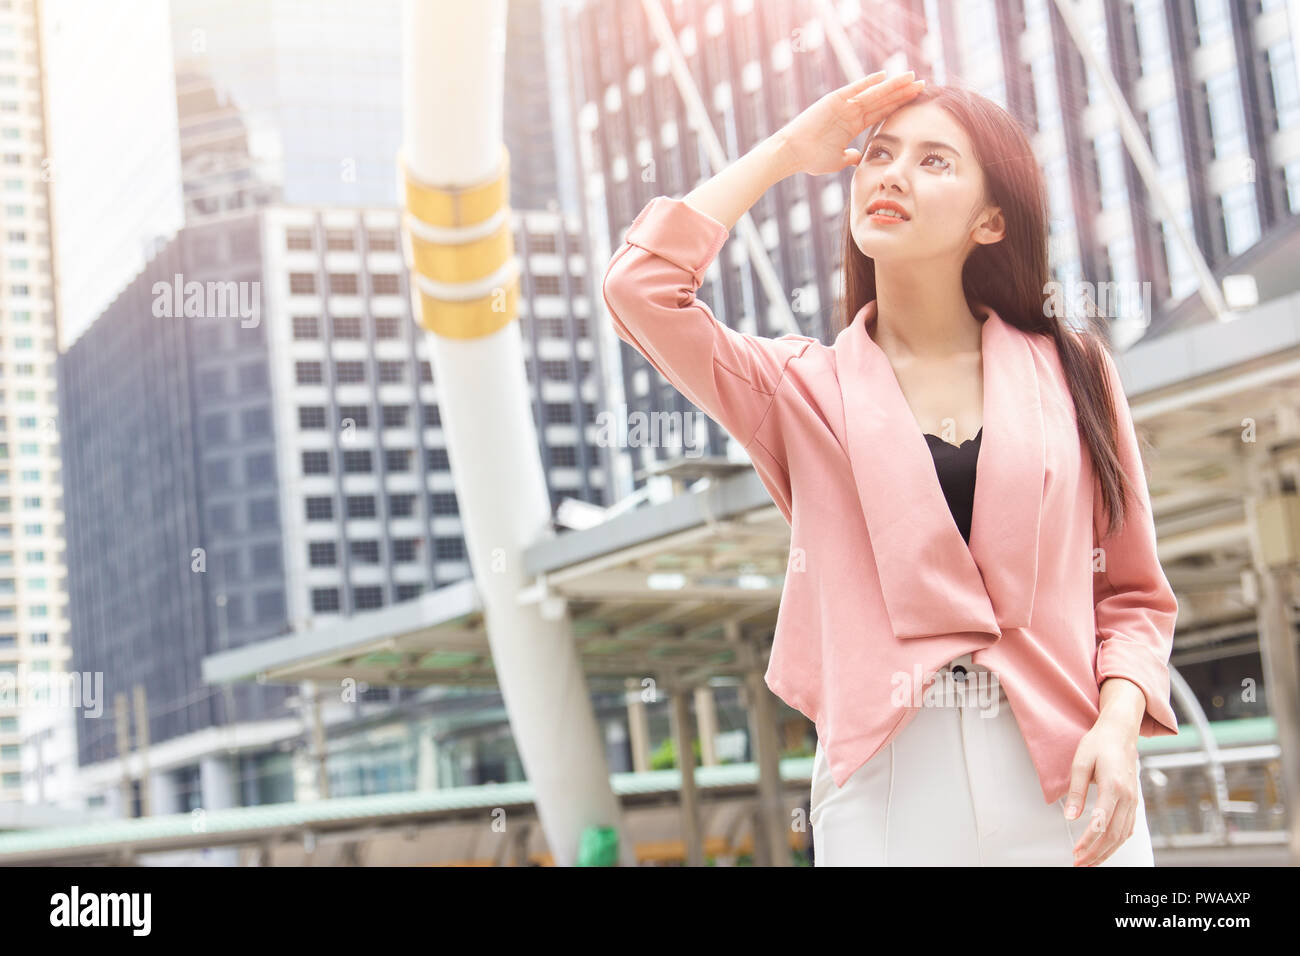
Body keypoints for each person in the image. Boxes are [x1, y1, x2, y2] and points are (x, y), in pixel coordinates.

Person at [602, 71, 1177, 866]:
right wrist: (784, 152)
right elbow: (641, 289)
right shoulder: (798, 389)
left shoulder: (1074, 371)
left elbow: (1134, 596)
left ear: (991, 220)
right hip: (888, 786)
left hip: (1068, 772)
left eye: (934, 161)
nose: (891, 174)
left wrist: (1119, 731)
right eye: (878, 153)